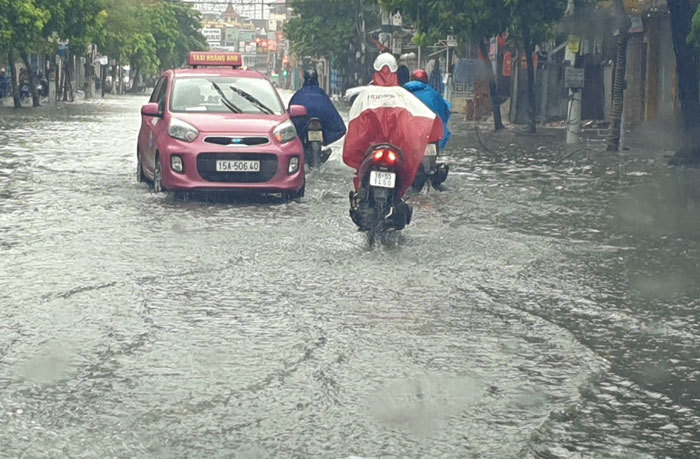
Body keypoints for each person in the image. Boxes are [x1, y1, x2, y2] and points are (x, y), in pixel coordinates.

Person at [343, 53, 443, 227]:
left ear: (375, 70)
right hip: (395, 151)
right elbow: (422, 118)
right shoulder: (402, 96)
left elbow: (355, 128)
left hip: (373, 151)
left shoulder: (366, 96)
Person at [288, 69, 346, 164]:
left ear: (304, 79)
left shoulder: (298, 95)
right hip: (321, 124)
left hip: (304, 127)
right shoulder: (322, 94)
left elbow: (289, 115)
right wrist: (326, 140)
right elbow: (339, 126)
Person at [404, 69, 452, 149]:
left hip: (408, 132)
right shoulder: (433, 93)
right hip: (429, 132)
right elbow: (444, 112)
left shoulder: (402, 91)